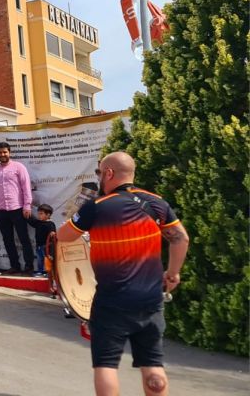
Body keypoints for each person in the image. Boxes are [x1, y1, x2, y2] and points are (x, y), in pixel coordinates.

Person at [57, 152, 189, 396]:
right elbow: (181, 239)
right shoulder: (156, 202)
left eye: (99, 172)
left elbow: (64, 236)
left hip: (111, 303)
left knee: (106, 365)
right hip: (150, 301)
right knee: (153, 365)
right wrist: (173, 273)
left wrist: (80, 213)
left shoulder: (96, 207)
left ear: (108, 173)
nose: (98, 177)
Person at [0, 141, 34, 275]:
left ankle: (29, 267)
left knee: (24, 238)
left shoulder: (18, 167)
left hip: (18, 209)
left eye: (5, 152)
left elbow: (26, 187)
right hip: (1, 212)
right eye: (0, 152)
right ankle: (15, 266)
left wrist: (27, 205)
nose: (2, 154)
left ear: (9, 153)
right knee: (7, 240)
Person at [27, 204, 56, 278]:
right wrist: (27, 213)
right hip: (38, 246)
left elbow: (53, 233)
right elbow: (31, 221)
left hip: (47, 246)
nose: (39, 215)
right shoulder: (38, 222)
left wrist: (53, 233)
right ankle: (40, 272)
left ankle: (48, 273)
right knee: (40, 260)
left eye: (41, 214)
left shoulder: (50, 224)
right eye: (38, 214)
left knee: (47, 260)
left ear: (48, 215)